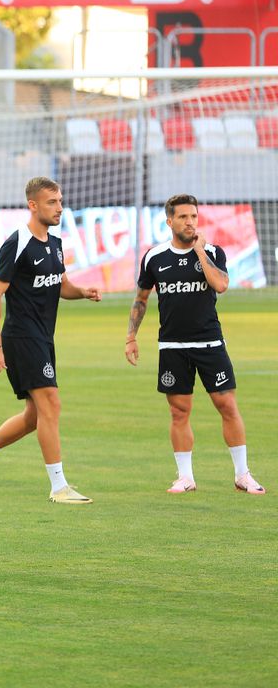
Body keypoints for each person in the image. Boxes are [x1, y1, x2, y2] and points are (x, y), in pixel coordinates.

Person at [0, 177, 102, 504]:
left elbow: (60, 284)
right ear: (33, 205)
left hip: (44, 338)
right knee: (51, 404)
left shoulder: (56, 243)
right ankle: (59, 487)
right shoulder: (17, 242)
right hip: (21, 336)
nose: (59, 207)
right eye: (52, 202)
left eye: (60, 201)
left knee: (35, 416)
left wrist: (81, 292)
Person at [125, 194, 265, 495]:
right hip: (172, 347)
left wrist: (199, 251)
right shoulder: (154, 257)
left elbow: (221, 285)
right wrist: (131, 337)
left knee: (227, 405)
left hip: (209, 343)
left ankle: (242, 474)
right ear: (169, 221)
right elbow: (141, 299)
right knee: (179, 411)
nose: (190, 222)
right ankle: (185, 477)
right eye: (183, 217)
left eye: (194, 216)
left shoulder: (212, 251)